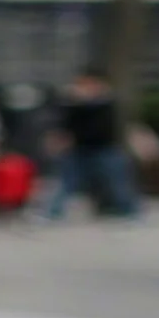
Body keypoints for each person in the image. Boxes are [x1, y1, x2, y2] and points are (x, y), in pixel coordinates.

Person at [47, 69, 138, 217]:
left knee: (117, 182)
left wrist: (87, 103)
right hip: (78, 149)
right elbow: (64, 122)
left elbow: (104, 127)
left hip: (104, 149)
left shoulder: (106, 104)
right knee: (66, 182)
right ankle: (53, 212)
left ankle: (130, 211)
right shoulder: (72, 105)